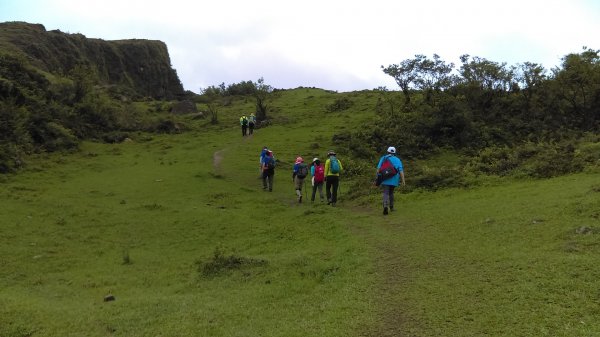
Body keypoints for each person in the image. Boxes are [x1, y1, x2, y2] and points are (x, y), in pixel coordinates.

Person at [376, 146, 405, 215]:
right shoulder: (398, 160)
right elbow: (401, 171)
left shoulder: (383, 158)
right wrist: (403, 181)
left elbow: (378, 169)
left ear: (387, 151)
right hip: (394, 179)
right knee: (391, 193)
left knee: (385, 192)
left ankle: (385, 206)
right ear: (394, 152)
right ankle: (391, 207)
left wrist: (378, 177)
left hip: (385, 178)